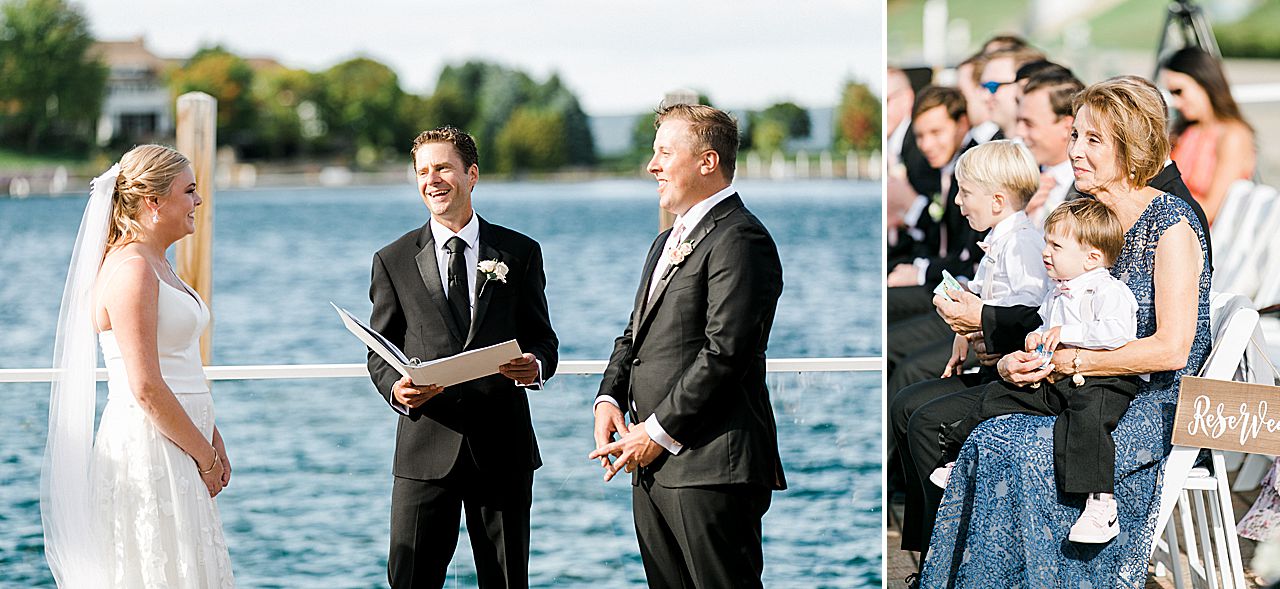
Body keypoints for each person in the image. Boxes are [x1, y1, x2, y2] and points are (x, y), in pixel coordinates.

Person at [920, 77, 1212, 587]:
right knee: (991, 430)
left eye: (1093, 140)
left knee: (1020, 446)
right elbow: (1051, 310)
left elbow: (1173, 348)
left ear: (1134, 146)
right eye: (1075, 135)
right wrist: (1015, 358)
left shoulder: (1173, 225)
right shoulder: (1083, 212)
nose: (1074, 150)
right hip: (1076, 383)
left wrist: (1071, 363)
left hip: (1153, 397)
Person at [590, 103, 786, 588]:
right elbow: (634, 333)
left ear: (707, 161)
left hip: (712, 466)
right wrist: (608, 397)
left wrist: (654, 433)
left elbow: (726, 354)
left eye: (664, 152)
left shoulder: (741, 239)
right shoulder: (665, 241)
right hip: (653, 465)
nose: (652, 166)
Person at [366, 126, 559, 588]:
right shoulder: (391, 259)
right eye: (423, 171)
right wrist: (397, 387)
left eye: (443, 168)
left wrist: (535, 367)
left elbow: (543, 339)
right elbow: (379, 351)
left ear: (471, 175)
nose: (432, 179)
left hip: (502, 449)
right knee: (410, 580)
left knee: (508, 581)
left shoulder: (520, 252)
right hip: (425, 447)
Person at [42, 144, 235, 587]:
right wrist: (204, 457)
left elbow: (180, 364)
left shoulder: (158, 263)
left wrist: (212, 436)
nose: (198, 202)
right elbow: (145, 385)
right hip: (153, 445)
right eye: (188, 191)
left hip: (182, 440)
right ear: (153, 201)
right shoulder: (133, 270)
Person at [932, 198, 1141, 545]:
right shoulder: (1056, 291)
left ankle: (1101, 502)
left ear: (1091, 257)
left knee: (1089, 417)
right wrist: (1033, 339)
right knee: (1000, 393)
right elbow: (1043, 326)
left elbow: (1119, 334)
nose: (1046, 252)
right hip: (1057, 375)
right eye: (1046, 242)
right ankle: (958, 455)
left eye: (1056, 245)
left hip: (1104, 378)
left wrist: (1067, 335)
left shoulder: (1109, 291)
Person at [1161, 46, 1257, 225]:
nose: (1176, 102)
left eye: (1179, 91)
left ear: (1204, 82)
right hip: (1175, 225)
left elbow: (1212, 209)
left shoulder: (1233, 136)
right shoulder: (1183, 132)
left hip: (1205, 237)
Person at [1016, 69, 1085, 226]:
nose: (1019, 132)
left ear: (1067, 127)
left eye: (1029, 124)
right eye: (1018, 121)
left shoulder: (1092, 191)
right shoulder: (1016, 179)